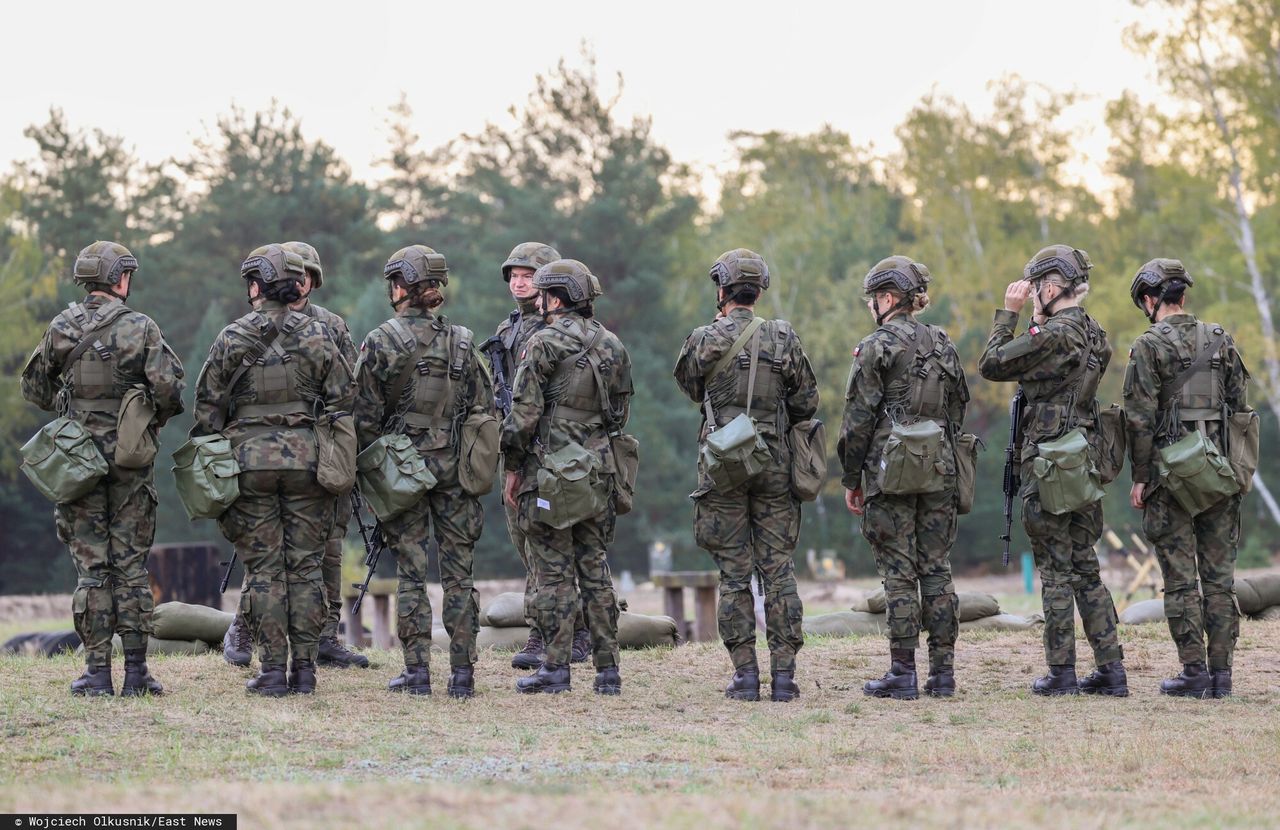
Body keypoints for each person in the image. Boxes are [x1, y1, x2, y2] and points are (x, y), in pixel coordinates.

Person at [21, 241, 185, 696]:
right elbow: (171, 391)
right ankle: (136, 673)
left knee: (93, 571)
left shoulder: (61, 326)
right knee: (130, 568)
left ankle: (96, 673)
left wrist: (73, 406)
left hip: (75, 462)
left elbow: (34, 389)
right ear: (119, 279)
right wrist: (141, 415)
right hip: (130, 463)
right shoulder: (141, 328)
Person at [192, 244, 353, 696]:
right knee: (304, 570)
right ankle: (305, 671)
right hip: (308, 465)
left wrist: (222, 448)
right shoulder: (320, 335)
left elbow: (206, 407)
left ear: (257, 284)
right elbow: (344, 399)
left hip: (249, 465)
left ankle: (270, 671)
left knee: (264, 571)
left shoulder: (232, 336)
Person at [978, 244, 1127, 697]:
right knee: (1086, 567)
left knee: (1056, 570)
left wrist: (1010, 313)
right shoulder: (1092, 331)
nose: (1032, 289)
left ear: (1052, 285)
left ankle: (1061, 672)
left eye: (1038, 283)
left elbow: (993, 363)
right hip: (1084, 457)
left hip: (1048, 462)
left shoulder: (1053, 335)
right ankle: (1111, 670)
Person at [673, 249, 819, 703]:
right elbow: (806, 402)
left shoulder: (703, 338)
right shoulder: (784, 337)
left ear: (721, 290)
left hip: (722, 464)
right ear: (759, 291)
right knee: (779, 572)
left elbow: (690, 388)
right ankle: (784, 677)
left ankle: (745, 676)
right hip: (774, 461)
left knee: (734, 575)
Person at [353, 245, 493, 698]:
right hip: (455, 468)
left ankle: (416, 674)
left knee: (411, 575)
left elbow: (362, 419)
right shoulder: (465, 342)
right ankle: (463, 675)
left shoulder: (380, 341)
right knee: (459, 575)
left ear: (400, 287)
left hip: (402, 472)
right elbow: (483, 409)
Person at [838, 256, 968, 699]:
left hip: (888, 472)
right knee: (937, 568)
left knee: (898, 571)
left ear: (888, 299)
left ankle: (902, 672)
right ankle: (944, 673)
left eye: (874, 298)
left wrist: (851, 477)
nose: (871, 306)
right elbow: (958, 407)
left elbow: (857, 420)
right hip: (938, 468)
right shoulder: (942, 344)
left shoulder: (876, 346)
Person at [501, 259, 632, 695]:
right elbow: (620, 412)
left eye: (542, 293)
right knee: (595, 569)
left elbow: (522, 418)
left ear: (554, 298)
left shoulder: (540, 344)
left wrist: (513, 469)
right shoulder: (613, 344)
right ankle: (608, 671)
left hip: (549, 473)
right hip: (599, 471)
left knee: (554, 574)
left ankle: (556, 669)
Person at [1125, 258, 1250, 698]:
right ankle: (1222, 675)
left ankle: (1193, 672)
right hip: (1218, 472)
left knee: (1180, 579)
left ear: (1148, 299)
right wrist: (1236, 471)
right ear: (1183, 295)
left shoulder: (1147, 346)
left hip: (1169, 476)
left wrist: (1140, 477)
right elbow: (1240, 411)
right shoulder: (1221, 340)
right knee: (1219, 579)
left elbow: (1138, 420)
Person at [485, 242, 592, 670]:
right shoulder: (508, 328)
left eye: (528, 273)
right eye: (513, 273)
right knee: (527, 545)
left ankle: (555, 632)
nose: (518, 280)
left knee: (555, 547)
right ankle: (554, 628)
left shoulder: (563, 330)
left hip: (554, 449)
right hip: (514, 446)